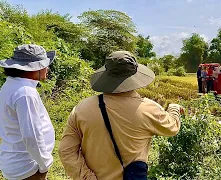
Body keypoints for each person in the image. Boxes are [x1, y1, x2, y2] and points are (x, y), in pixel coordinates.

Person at [58, 51, 182, 180]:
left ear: (106, 75)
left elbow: (66, 151)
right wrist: (174, 108)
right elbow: (172, 127)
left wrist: (87, 177)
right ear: (135, 77)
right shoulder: (148, 109)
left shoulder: (82, 108)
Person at [0, 44, 56, 180]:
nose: (47, 69)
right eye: (45, 65)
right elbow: (32, 136)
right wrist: (45, 164)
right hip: (28, 168)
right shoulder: (26, 93)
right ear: (34, 68)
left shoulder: (11, 85)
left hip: (16, 161)